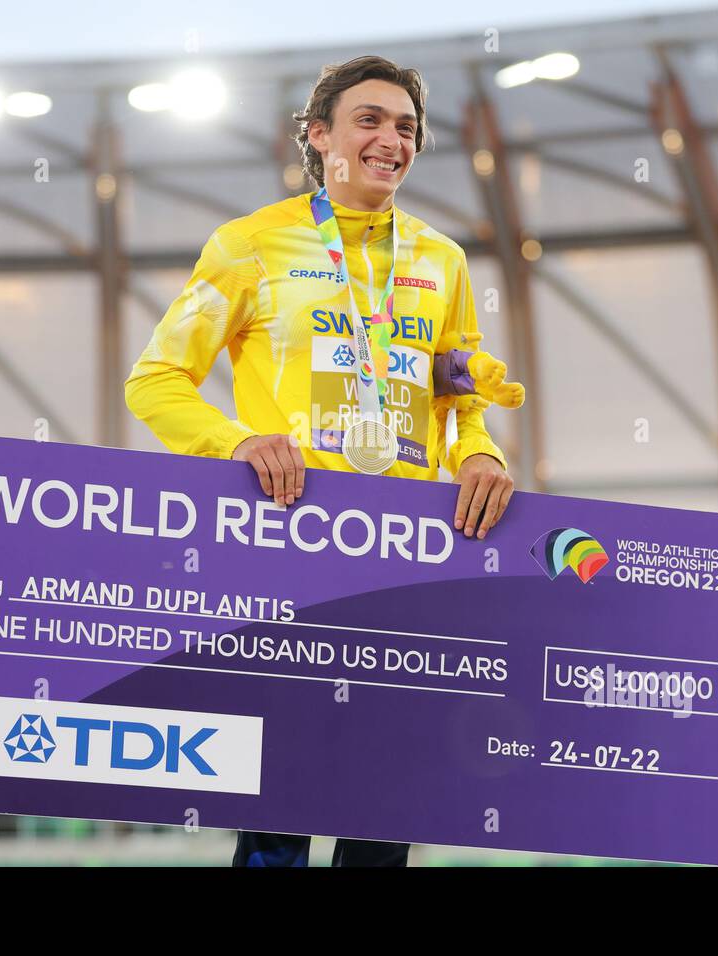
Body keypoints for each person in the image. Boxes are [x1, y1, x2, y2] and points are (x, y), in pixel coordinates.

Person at [124, 55, 518, 867]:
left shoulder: (441, 261)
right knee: (281, 818)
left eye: (406, 127)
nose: (391, 140)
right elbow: (155, 381)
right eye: (369, 120)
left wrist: (477, 452)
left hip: (408, 572)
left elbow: (453, 389)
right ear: (318, 136)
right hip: (292, 564)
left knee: (383, 825)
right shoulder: (248, 246)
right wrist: (237, 440)